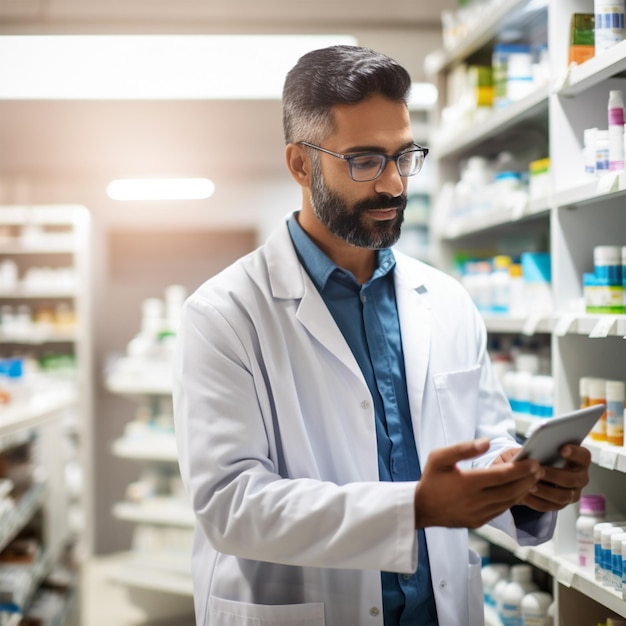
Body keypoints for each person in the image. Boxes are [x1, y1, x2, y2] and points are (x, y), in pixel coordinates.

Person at [173, 45, 591, 626]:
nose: (394, 184)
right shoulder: (223, 315)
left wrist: (523, 481)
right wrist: (415, 506)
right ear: (301, 164)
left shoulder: (446, 301)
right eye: (366, 160)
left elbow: (483, 440)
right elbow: (230, 505)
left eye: (404, 155)